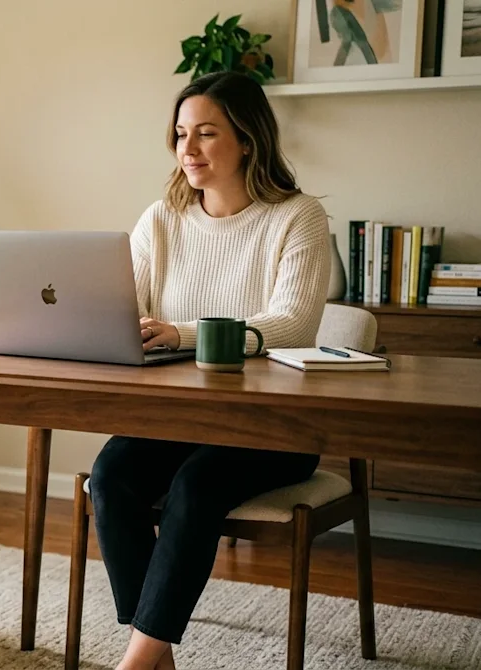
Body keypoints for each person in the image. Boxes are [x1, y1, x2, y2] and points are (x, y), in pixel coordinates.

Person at [90, 71, 332, 670]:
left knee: (196, 486)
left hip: (276, 427)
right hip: (181, 418)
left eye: (206, 133)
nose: (188, 149)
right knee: (111, 474)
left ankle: (135, 663)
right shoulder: (161, 219)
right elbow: (126, 310)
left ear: (247, 139)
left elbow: (293, 324)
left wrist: (184, 332)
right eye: (180, 134)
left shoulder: (298, 216)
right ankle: (156, 658)